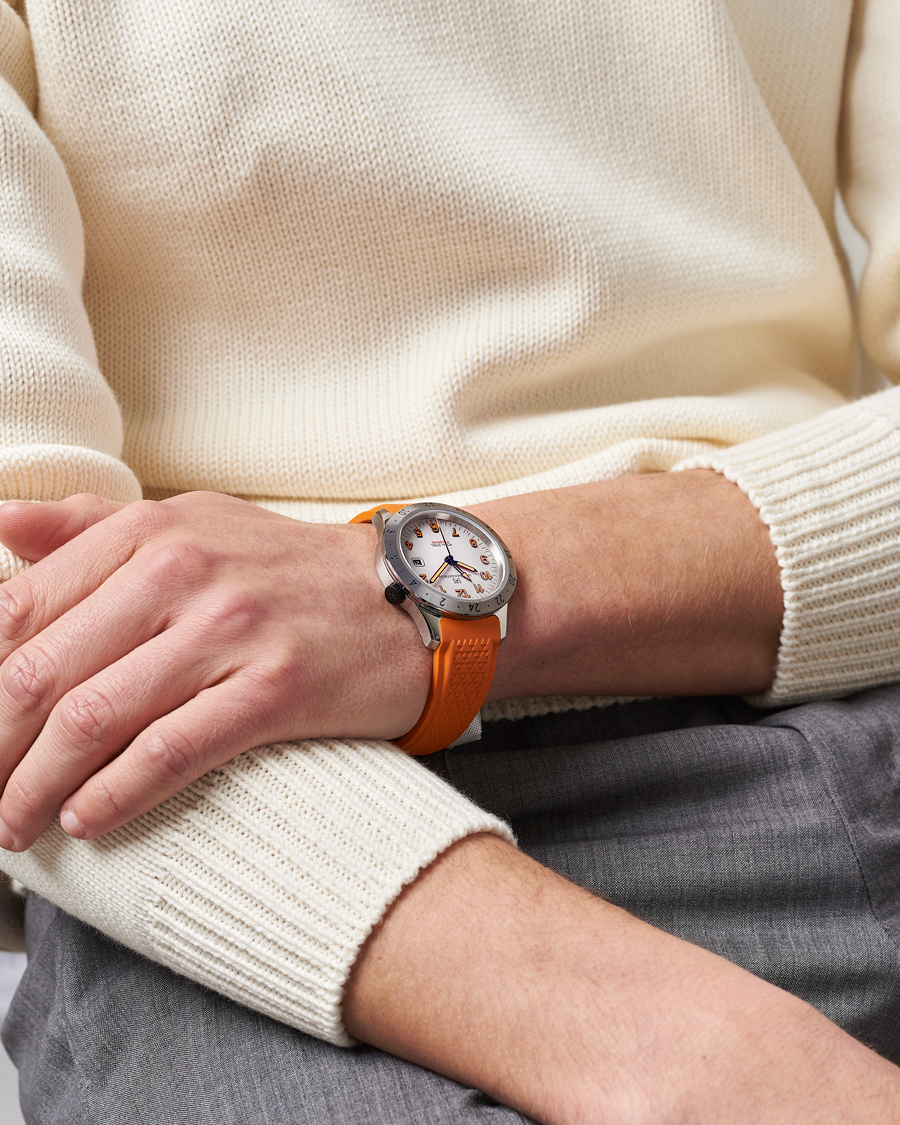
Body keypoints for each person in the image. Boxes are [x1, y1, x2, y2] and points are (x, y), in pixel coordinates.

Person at [0, 0, 899, 1120]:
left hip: (846, 652)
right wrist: (690, 1049)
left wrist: (413, 601)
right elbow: (30, 642)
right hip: (293, 857)